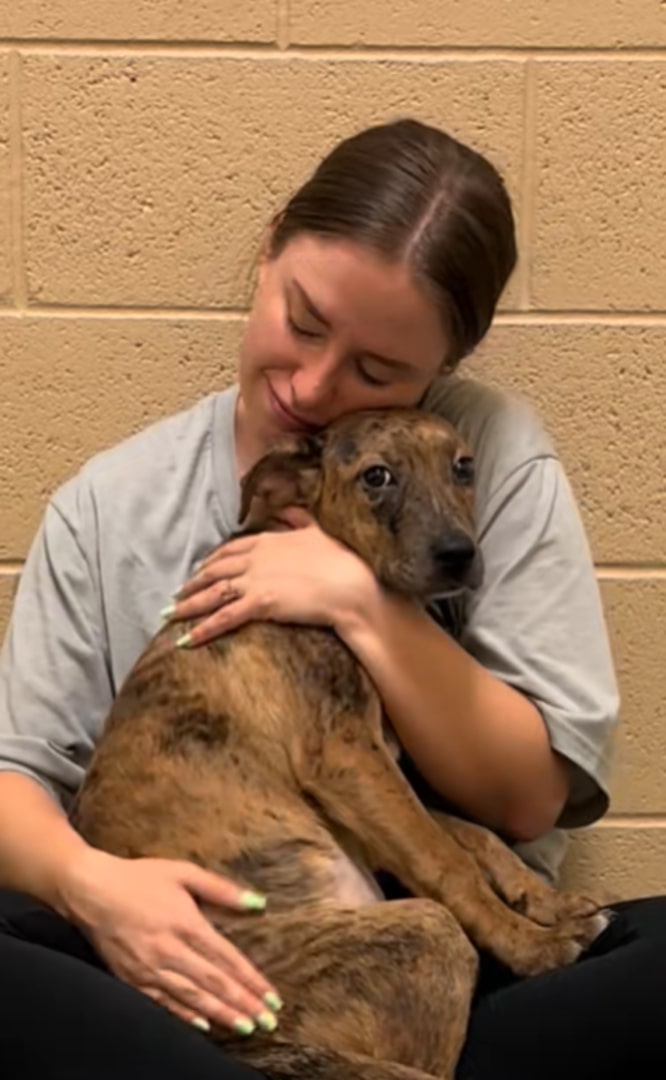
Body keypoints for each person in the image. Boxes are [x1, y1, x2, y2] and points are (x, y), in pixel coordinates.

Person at [0, 117, 663, 1080]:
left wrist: (359, 601)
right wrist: (93, 888)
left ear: (445, 370)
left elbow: (528, 798)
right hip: (186, 970)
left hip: (453, 974)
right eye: (303, 322)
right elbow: (14, 774)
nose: (313, 385)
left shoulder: (485, 453)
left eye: (380, 370)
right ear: (266, 251)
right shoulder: (110, 502)